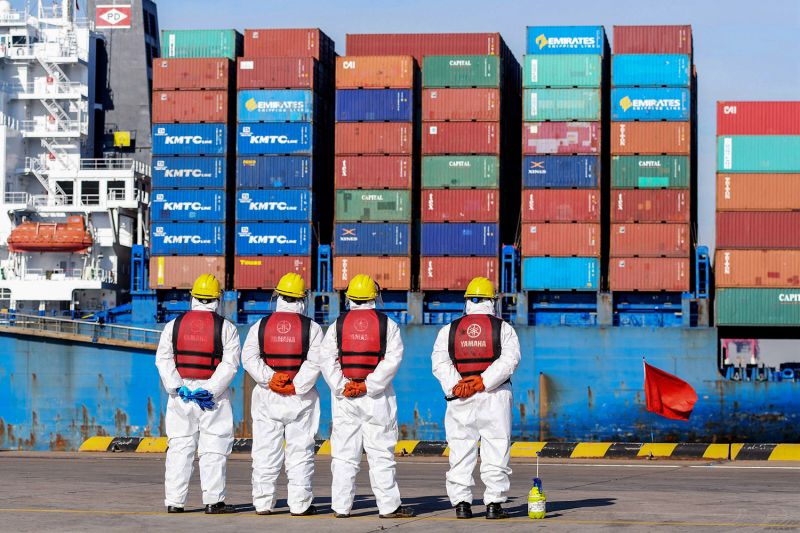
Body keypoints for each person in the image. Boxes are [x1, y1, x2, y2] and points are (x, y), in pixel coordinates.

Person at [319, 274, 415, 519]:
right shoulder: (388, 325)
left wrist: (343, 387)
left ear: (349, 297)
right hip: (377, 399)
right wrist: (368, 386)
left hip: (345, 400)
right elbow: (392, 361)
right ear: (375, 296)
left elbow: (327, 360)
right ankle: (388, 507)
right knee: (381, 454)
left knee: (343, 455)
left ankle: (341, 508)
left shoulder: (336, 326)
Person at [430, 277, 521, 520]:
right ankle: (494, 504)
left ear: (468, 301)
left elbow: (440, 363)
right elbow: (510, 361)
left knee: (460, 449)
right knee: (496, 447)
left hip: (461, 399)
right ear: (492, 301)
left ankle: (461, 504)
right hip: (495, 395)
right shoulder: (504, 328)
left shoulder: (448, 329)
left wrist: (457, 386)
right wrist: (484, 381)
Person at [154, 273, 240, 514]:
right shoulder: (227, 328)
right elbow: (230, 364)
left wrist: (177, 386)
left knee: (179, 448)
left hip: (180, 396)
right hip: (211, 398)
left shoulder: (173, 326)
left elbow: (163, 358)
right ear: (217, 299)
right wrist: (208, 390)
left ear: (192, 297)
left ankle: (174, 502)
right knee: (214, 448)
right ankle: (213, 502)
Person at [241, 273, 323, 516]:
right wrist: (295, 385)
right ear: (302, 299)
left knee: (265, 451)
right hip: (301, 398)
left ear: (277, 295)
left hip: (267, 397)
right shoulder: (313, 328)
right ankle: (299, 505)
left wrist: (270, 378)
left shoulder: (260, 326)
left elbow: (248, 358)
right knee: (300, 452)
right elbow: (316, 361)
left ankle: (263, 503)